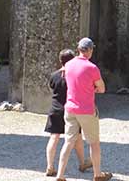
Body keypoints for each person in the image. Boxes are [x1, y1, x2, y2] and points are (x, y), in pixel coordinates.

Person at [56, 38, 113, 181]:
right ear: (90, 50)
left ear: (79, 49)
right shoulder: (92, 68)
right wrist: (92, 88)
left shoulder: (68, 64)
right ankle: (98, 174)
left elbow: (64, 76)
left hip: (70, 108)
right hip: (86, 109)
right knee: (94, 143)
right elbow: (102, 88)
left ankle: (60, 175)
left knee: (68, 142)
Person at [45, 49, 89, 177]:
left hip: (55, 109)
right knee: (77, 137)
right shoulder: (75, 76)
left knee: (54, 137)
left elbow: (52, 87)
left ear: (60, 60)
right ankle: (82, 162)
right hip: (71, 109)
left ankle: (50, 166)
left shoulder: (54, 75)